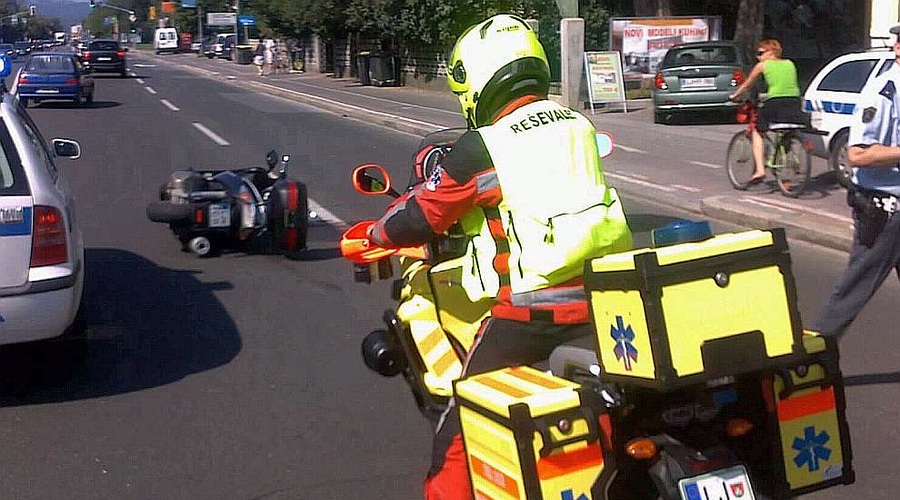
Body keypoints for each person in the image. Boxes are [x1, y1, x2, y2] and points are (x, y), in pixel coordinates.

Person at [364, 14, 632, 499]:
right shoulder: (578, 124)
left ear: (477, 78)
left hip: (532, 313)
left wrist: (376, 234)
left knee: (463, 421)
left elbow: (425, 211)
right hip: (607, 302)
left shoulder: (483, 146)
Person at [814, 24, 900, 339]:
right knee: (853, 292)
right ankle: (809, 361)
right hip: (884, 213)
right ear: (898, 48)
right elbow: (858, 155)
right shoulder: (883, 92)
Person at [729, 38, 805, 184]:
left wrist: (734, 96)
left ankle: (760, 170)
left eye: (761, 53)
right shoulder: (790, 63)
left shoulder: (762, 65)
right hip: (794, 103)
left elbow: (747, 84)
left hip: (775, 103)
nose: (758, 56)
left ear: (771, 52)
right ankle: (788, 156)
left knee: (758, 131)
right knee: (785, 128)